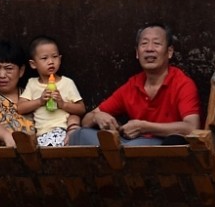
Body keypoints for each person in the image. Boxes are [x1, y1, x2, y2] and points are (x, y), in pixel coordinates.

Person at [70, 24, 201, 146]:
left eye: (157, 44)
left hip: (162, 146)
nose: (149, 49)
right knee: (80, 135)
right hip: (131, 145)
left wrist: (144, 127)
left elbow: (192, 128)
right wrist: (96, 117)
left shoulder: (183, 83)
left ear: (170, 52)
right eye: (144, 44)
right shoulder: (133, 85)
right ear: (137, 53)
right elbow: (86, 121)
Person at [18, 36, 85, 147]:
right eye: (44, 58)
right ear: (33, 64)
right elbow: (20, 108)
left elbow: (81, 109)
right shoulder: (32, 83)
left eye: (54, 57)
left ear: (60, 59)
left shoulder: (67, 83)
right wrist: (40, 101)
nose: (51, 62)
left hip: (63, 130)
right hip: (41, 135)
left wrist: (63, 104)